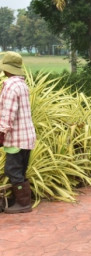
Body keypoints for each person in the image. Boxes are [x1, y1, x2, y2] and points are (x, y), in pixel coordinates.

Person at [0, 51, 36, 214]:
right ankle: (22, 200)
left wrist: (1, 134)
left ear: (6, 69)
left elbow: (8, 115)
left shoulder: (10, 86)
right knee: (19, 170)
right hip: (27, 137)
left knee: (11, 170)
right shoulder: (22, 84)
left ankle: (23, 203)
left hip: (16, 139)